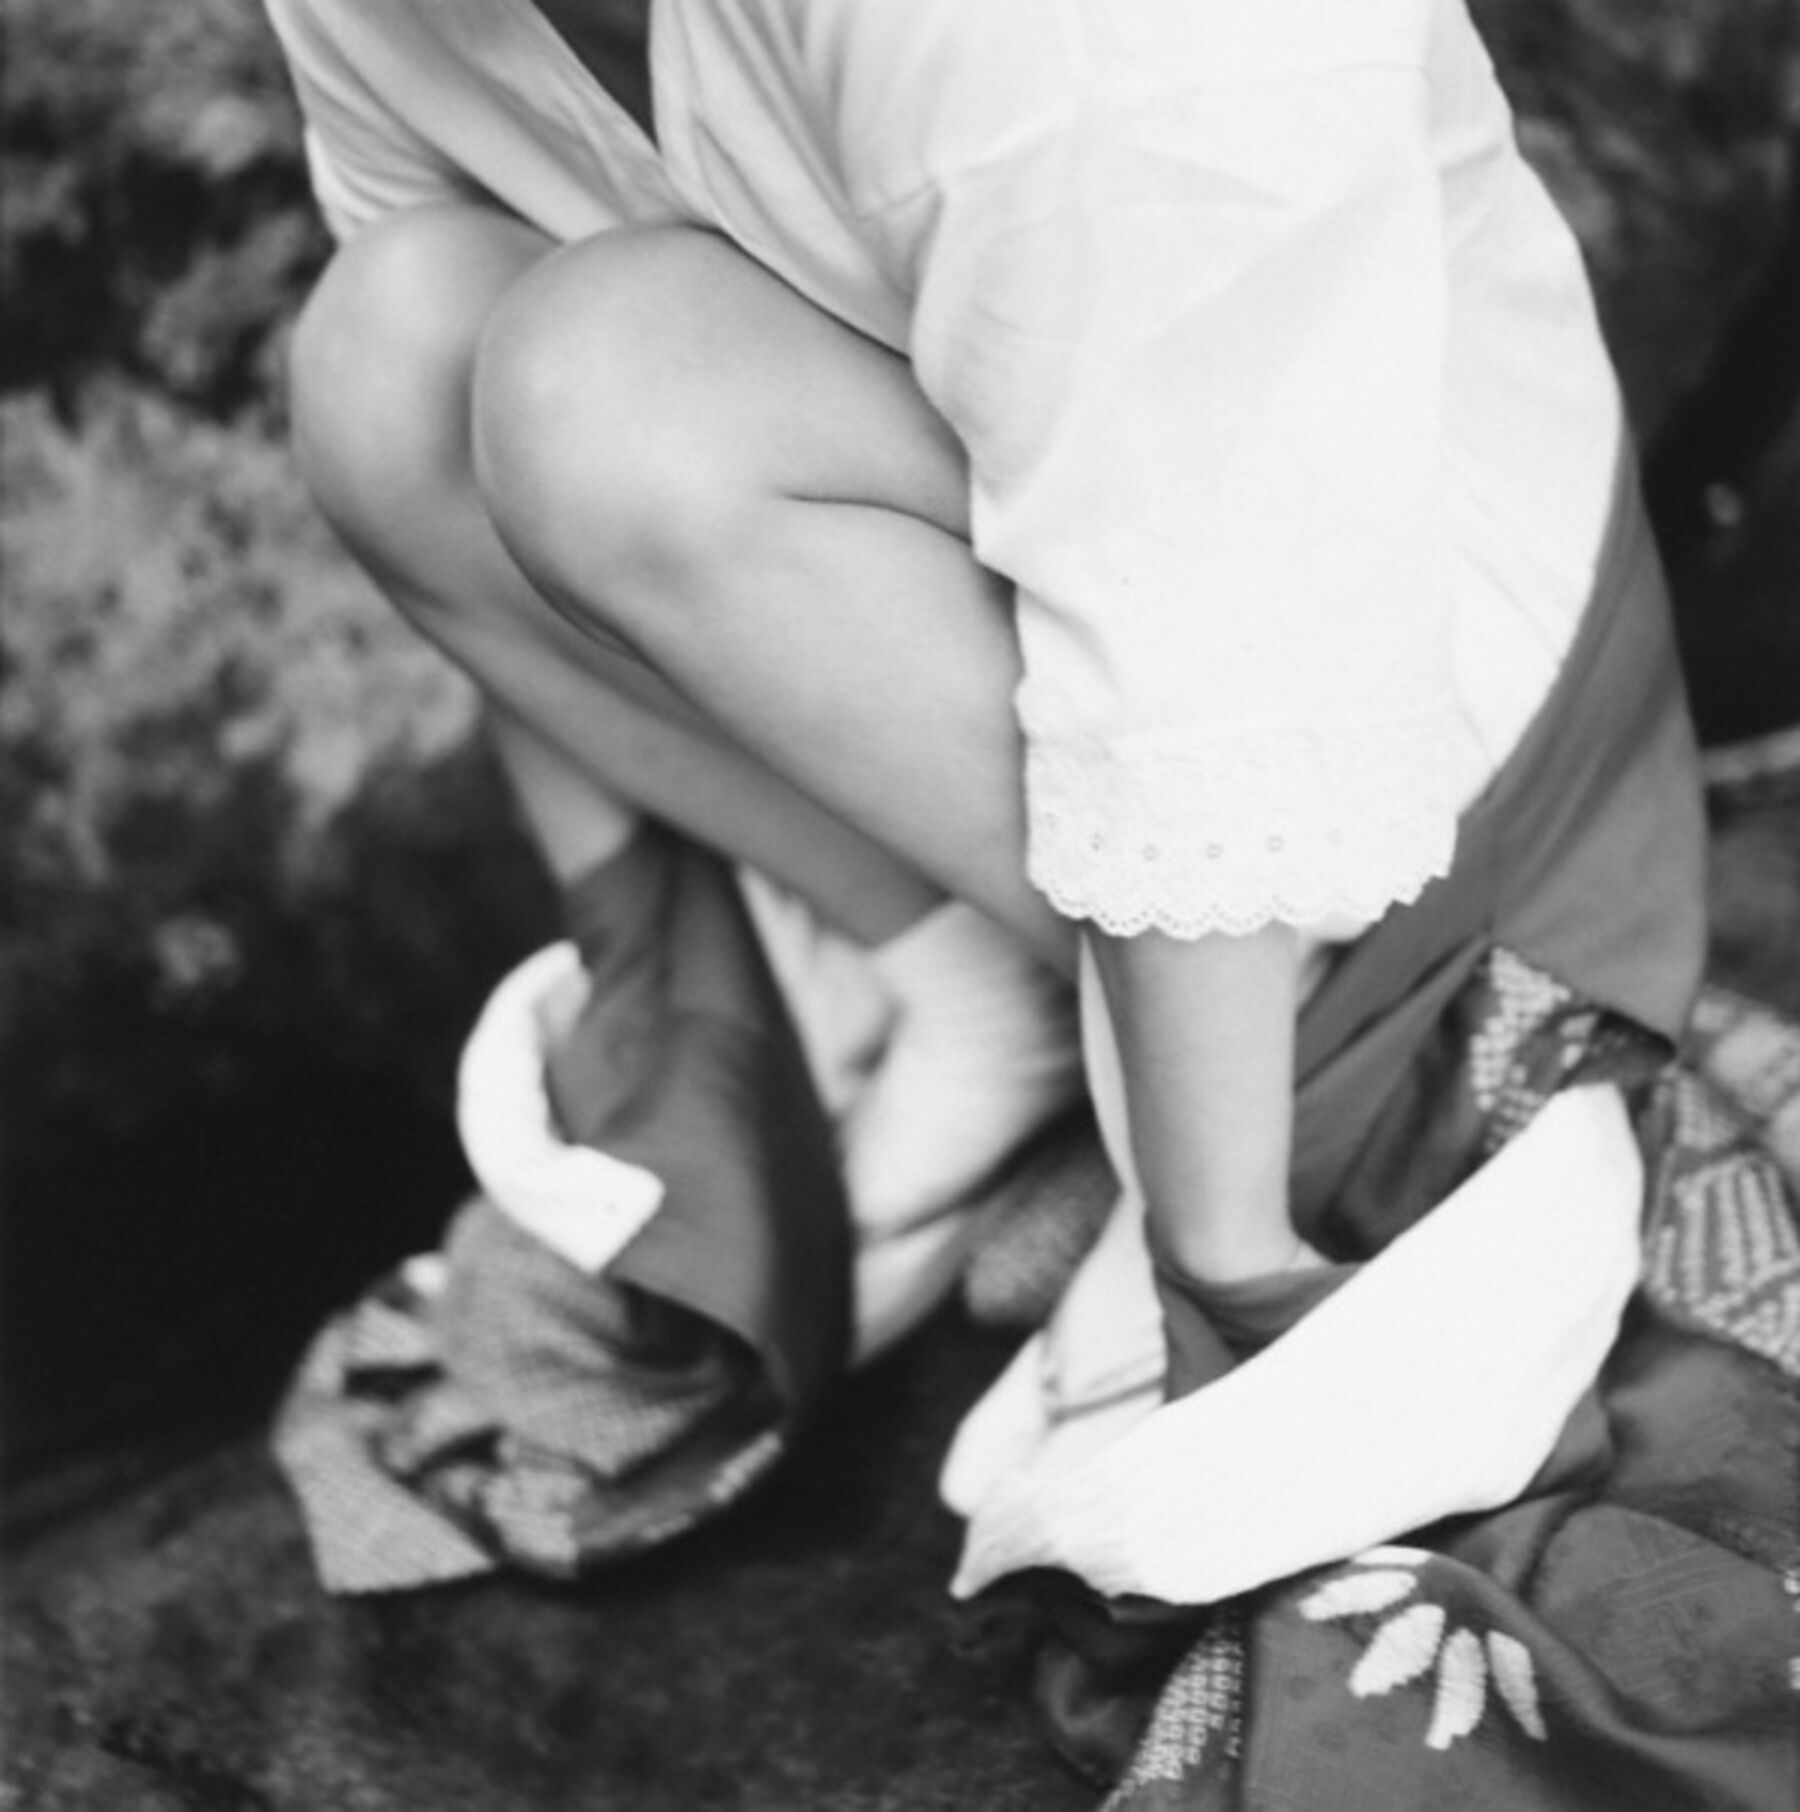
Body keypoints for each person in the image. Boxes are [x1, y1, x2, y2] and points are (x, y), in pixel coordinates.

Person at [263, 3, 1796, 1805]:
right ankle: (972, 987)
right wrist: (652, 988)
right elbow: (450, 426)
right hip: (954, 506)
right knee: (392, 345)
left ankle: (1285, 1046)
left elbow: (1204, 566)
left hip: (1373, 654)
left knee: (601, 381)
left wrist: (1224, 1251)